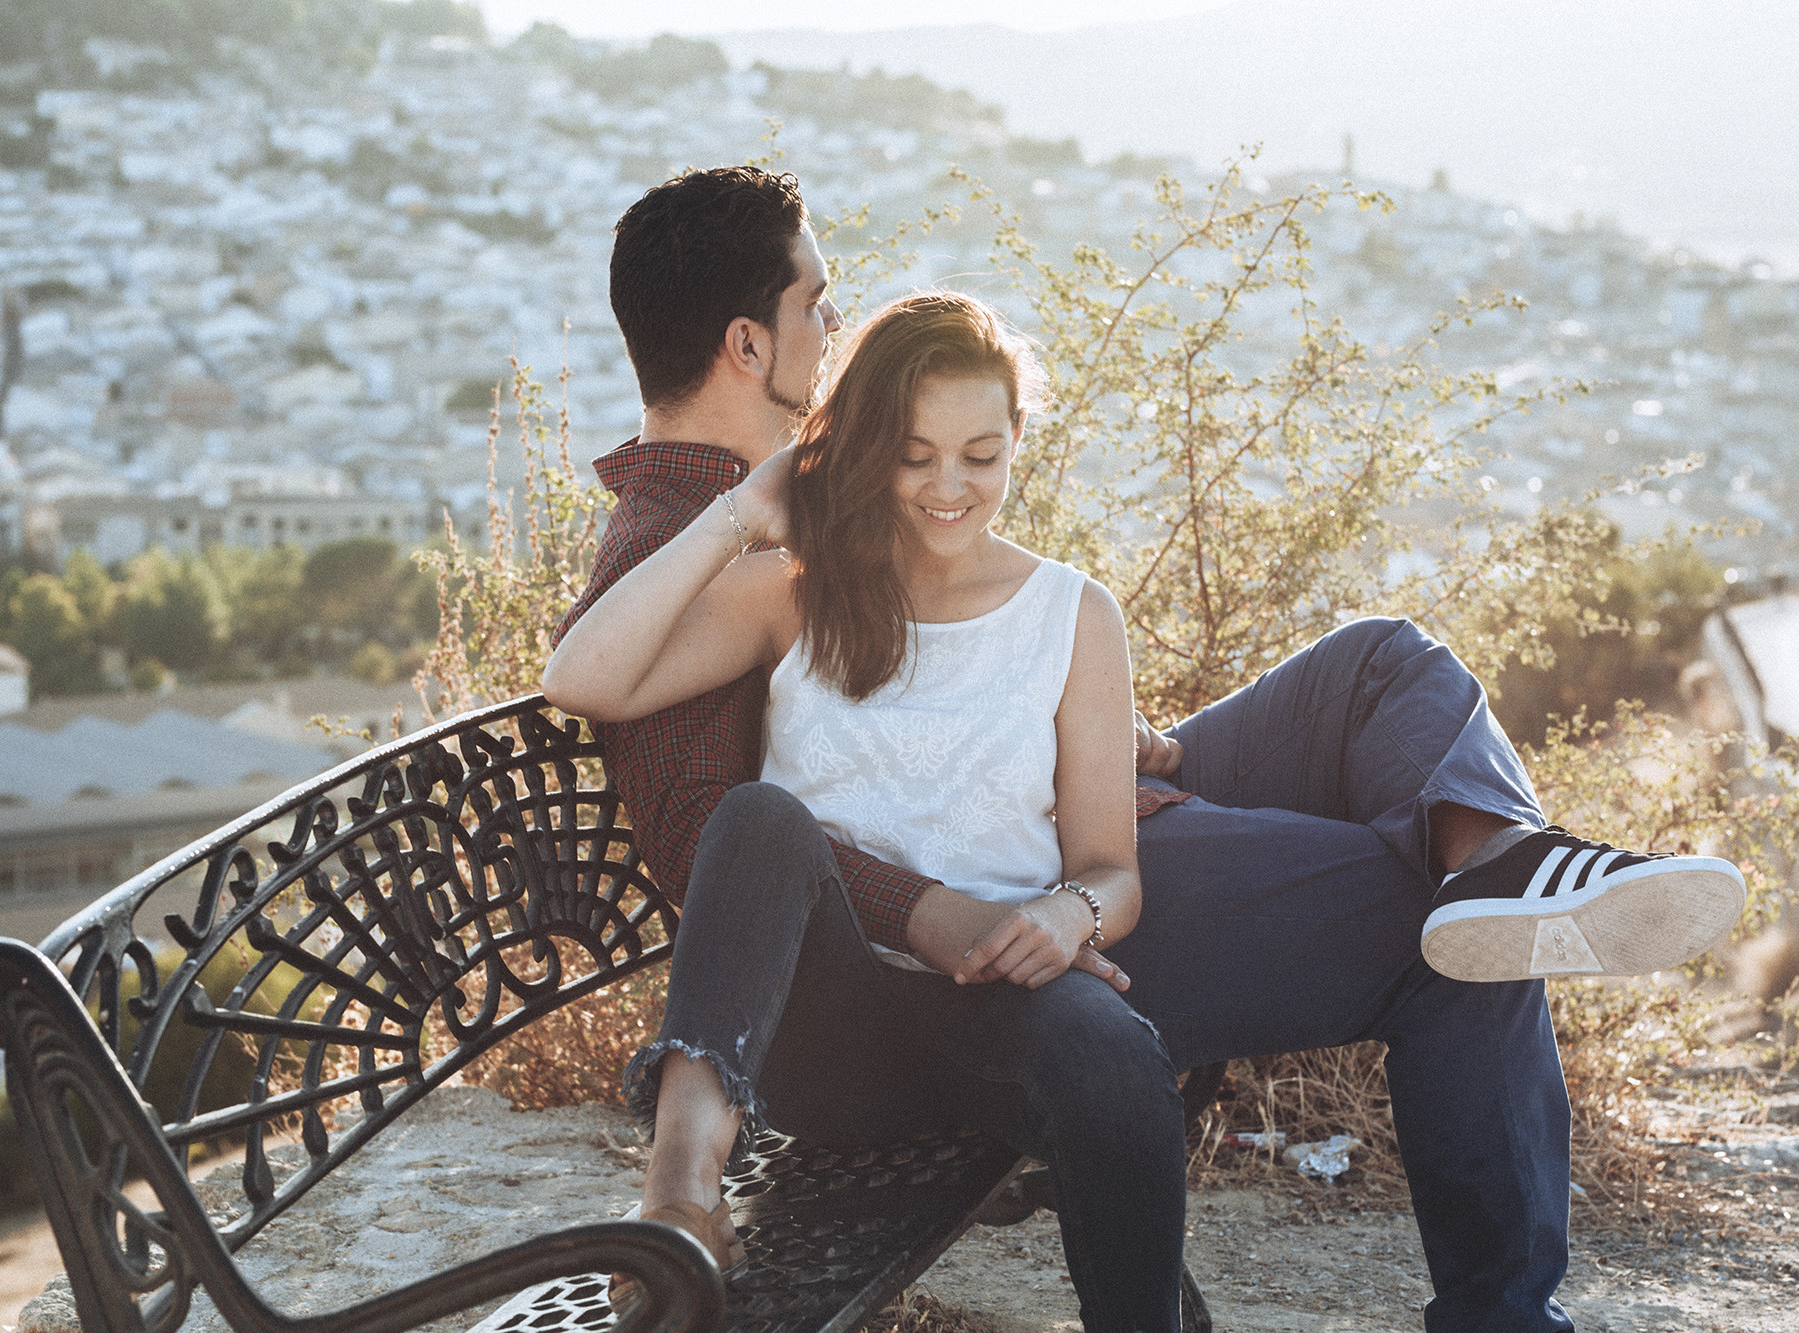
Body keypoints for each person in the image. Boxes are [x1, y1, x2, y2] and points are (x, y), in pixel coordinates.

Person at [544, 168, 1745, 1333]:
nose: (836, 324)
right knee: (1442, 940)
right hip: (999, 902)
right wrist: (952, 910)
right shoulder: (705, 545)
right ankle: (1499, 1274)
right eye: (818, 303)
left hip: (1074, 805)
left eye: (977, 452)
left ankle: (1501, 849)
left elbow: (959, 641)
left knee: (1382, 664)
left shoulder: (895, 534)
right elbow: (715, 835)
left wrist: (1071, 710)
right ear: (749, 348)